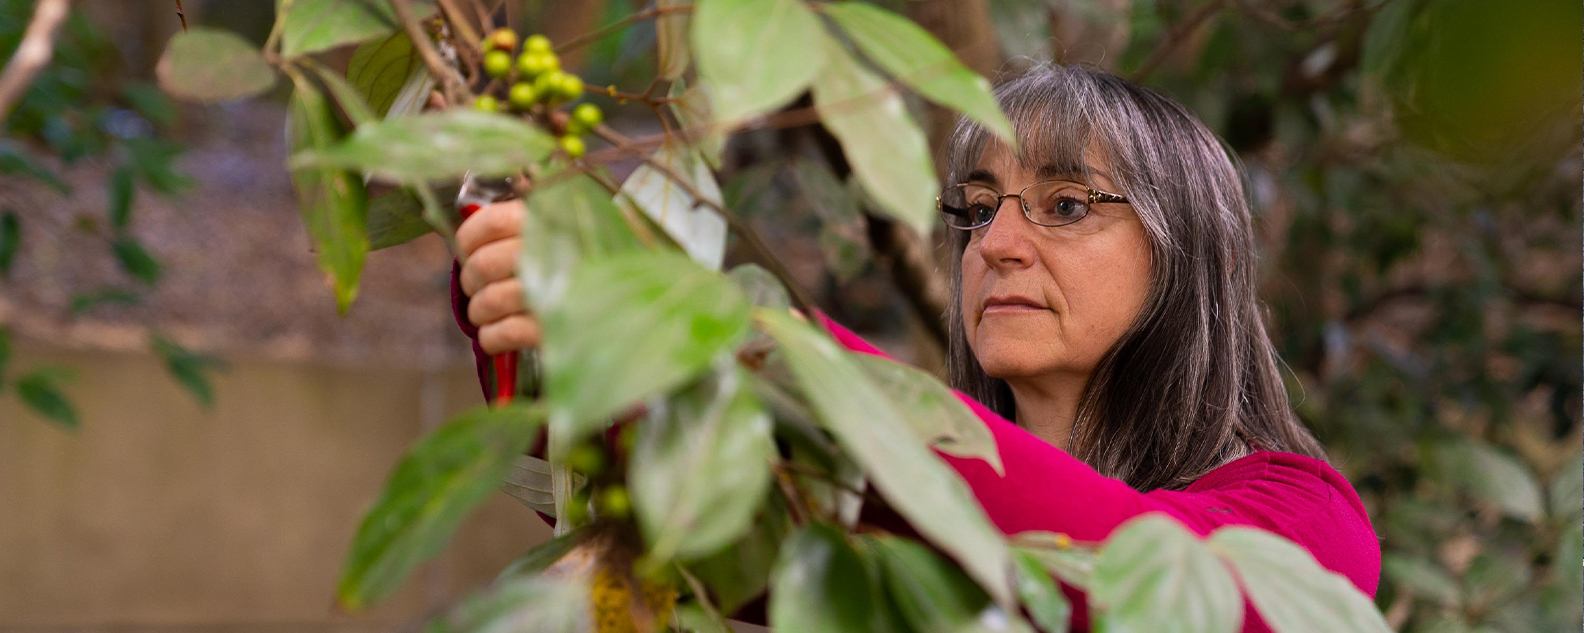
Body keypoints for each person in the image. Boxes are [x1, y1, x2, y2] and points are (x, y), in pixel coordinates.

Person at [448, 65, 1380, 632]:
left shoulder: (1305, 522)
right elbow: (644, 487)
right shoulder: (882, 523)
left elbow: (1122, 575)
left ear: (1189, 257)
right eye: (977, 211)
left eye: (1065, 206)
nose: (997, 245)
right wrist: (520, 279)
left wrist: (719, 331)